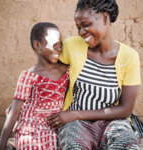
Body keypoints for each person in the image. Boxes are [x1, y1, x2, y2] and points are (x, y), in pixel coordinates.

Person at [47, 0, 142, 149]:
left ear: (105, 18)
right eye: (78, 27)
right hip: (76, 124)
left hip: (113, 123)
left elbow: (125, 109)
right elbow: (47, 74)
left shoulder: (129, 57)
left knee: (125, 142)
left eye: (86, 25)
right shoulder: (72, 45)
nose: (81, 32)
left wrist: (77, 114)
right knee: (73, 143)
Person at [0, 22, 69, 150]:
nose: (59, 48)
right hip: (31, 128)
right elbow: (14, 112)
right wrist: (1, 147)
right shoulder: (29, 76)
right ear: (37, 45)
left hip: (55, 127)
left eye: (60, 44)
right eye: (54, 44)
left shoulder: (67, 70)